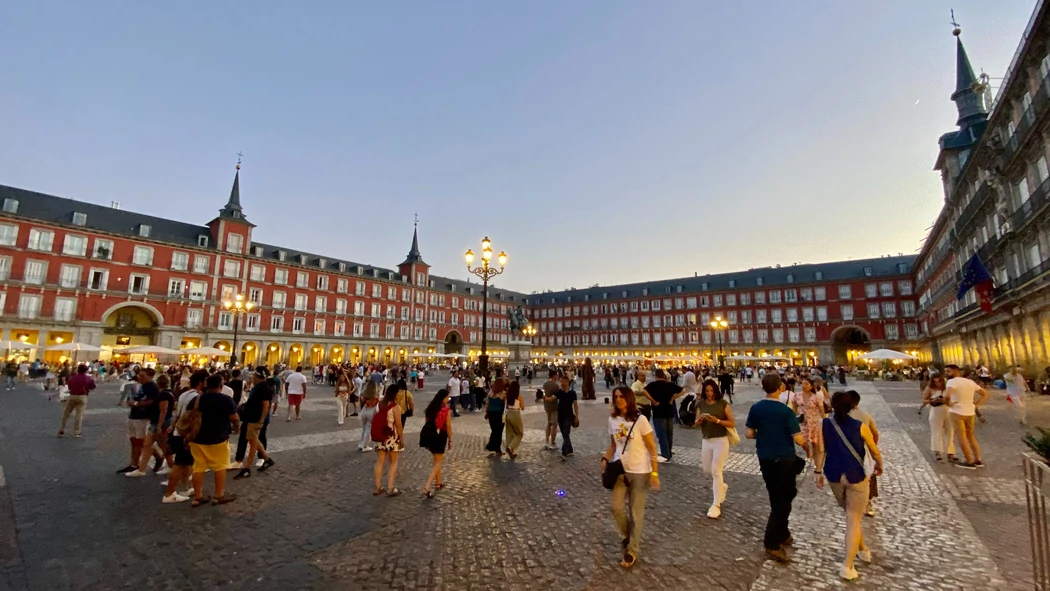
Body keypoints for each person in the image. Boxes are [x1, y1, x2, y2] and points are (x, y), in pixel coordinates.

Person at [817, 391, 883, 581]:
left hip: (833, 474)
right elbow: (874, 451)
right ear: (852, 406)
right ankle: (848, 566)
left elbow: (821, 450)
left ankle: (862, 548)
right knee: (853, 518)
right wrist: (880, 465)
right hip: (856, 474)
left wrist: (817, 472)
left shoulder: (825, 424)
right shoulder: (860, 426)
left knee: (849, 513)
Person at [745, 373, 805, 563]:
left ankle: (783, 531)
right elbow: (797, 438)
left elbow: (748, 433)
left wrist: (765, 435)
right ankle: (772, 543)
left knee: (775, 496)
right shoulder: (785, 411)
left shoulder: (756, 408)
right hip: (784, 459)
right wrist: (809, 447)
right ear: (780, 388)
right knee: (785, 498)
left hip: (765, 458)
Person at [602, 386, 660, 569]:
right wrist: (605, 458)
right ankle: (629, 536)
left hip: (640, 471)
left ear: (629, 399)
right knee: (616, 508)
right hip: (620, 470)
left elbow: (651, 447)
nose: (619, 399)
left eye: (622, 396)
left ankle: (632, 550)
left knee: (636, 513)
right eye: (616, 397)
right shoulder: (612, 419)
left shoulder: (640, 419)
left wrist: (655, 472)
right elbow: (614, 445)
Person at [190, 374, 240, 507]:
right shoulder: (226, 400)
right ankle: (218, 495)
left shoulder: (199, 398)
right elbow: (234, 418)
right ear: (220, 386)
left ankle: (197, 497)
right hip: (218, 437)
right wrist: (236, 428)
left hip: (197, 438)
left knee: (198, 468)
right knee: (220, 467)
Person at [694, 379, 735, 519]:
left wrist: (717, 421)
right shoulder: (700, 404)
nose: (709, 393)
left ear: (715, 390)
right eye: (707, 391)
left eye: (711, 391)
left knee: (716, 471)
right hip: (707, 440)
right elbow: (695, 422)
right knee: (707, 470)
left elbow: (732, 422)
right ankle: (721, 487)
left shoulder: (722, 403)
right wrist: (699, 421)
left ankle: (716, 504)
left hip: (721, 440)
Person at [944, 364, 990, 469]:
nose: (946, 374)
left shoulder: (952, 382)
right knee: (970, 436)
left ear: (956, 371)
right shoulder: (970, 382)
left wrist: (948, 403)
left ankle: (969, 460)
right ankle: (978, 459)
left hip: (957, 411)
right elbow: (986, 394)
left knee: (962, 437)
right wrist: (977, 404)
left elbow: (947, 396)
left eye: (948, 371)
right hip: (970, 411)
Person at [233, 369, 276, 479]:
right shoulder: (259, 387)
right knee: (254, 441)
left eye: (254, 376)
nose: (252, 378)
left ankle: (247, 469)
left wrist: (261, 421)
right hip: (251, 417)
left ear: (258, 376)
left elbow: (266, 405)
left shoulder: (263, 387)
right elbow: (255, 400)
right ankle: (267, 459)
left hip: (255, 419)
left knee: (253, 443)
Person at [642, 369, 685, 462]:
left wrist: (653, 401)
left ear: (656, 376)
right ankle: (668, 452)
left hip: (658, 412)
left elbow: (644, 391)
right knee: (669, 434)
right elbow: (683, 390)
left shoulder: (653, 385)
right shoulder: (670, 384)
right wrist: (673, 398)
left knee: (662, 434)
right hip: (669, 411)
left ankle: (665, 454)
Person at [372, 385, 404, 496]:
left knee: (380, 461)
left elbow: (373, 419)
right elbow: (399, 425)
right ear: (395, 394)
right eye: (398, 392)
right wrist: (401, 439)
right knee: (393, 462)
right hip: (392, 437)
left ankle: (377, 487)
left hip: (381, 436)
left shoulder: (379, 405)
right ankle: (390, 487)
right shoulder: (395, 407)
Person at [419, 389, 452, 498]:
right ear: (443, 398)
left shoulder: (430, 409)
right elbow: (448, 426)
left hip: (430, 435)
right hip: (440, 436)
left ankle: (438, 482)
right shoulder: (446, 410)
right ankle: (427, 486)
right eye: (447, 397)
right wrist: (450, 439)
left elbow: (426, 423)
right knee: (438, 462)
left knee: (436, 460)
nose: (448, 399)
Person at [919, 374, 955, 462]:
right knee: (936, 432)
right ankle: (937, 452)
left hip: (948, 410)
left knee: (950, 432)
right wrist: (932, 400)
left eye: (939, 381)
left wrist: (946, 400)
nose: (937, 383)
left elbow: (953, 399)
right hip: (936, 410)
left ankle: (950, 452)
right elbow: (924, 400)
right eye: (935, 381)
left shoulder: (947, 388)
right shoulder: (929, 389)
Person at [58, 364, 95, 438]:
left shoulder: (73, 378)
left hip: (72, 396)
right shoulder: (88, 378)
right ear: (86, 371)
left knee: (66, 414)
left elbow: (69, 387)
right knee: (79, 415)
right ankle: (76, 432)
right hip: (82, 397)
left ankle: (62, 429)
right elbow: (92, 387)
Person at [555, 374, 579, 458]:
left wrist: (576, 416)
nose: (562, 383)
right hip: (560, 416)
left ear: (568, 382)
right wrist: (545, 397)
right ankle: (570, 450)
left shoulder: (572, 393)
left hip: (568, 416)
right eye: (561, 382)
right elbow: (552, 398)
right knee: (564, 434)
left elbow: (575, 405)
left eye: (563, 382)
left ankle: (563, 451)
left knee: (566, 432)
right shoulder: (559, 392)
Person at [485, 378, 508, 458]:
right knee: (498, 431)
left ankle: (492, 446)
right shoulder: (503, 394)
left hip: (491, 413)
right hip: (499, 414)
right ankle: (496, 448)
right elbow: (505, 405)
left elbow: (487, 404)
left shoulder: (490, 393)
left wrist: (486, 413)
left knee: (494, 430)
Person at [504, 381, 525, 458]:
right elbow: (522, 408)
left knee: (509, 433)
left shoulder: (508, 396)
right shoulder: (519, 397)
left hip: (508, 414)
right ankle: (511, 447)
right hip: (515, 414)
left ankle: (511, 451)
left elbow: (506, 407)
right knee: (519, 433)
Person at [542, 371, 560, 450]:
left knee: (549, 423)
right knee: (554, 425)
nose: (558, 376)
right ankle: (552, 442)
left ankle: (546, 440)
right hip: (554, 406)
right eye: (557, 375)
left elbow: (543, 394)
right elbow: (557, 396)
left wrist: (545, 399)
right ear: (554, 376)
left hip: (546, 406)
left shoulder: (545, 384)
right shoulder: (556, 386)